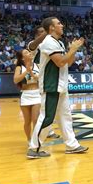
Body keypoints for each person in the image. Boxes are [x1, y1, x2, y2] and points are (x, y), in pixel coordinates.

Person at [27, 17, 89, 159]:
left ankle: (72, 145)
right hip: (51, 85)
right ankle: (34, 148)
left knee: (66, 117)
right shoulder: (48, 42)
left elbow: (69, 61)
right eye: (59, 23)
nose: (62, 25)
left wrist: (72, 51)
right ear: (52, 28)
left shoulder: (59, 42)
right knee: (47, 117)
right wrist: (72, 49)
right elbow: (60, 62)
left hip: (61, 85)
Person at [13, 50, 40, 142]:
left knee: (36, 119)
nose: (29, 53)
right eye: (26, 53)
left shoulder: (37, 65)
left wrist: (32, 73)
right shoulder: (19, 68)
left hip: (37, 94)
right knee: (27, 121)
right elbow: (16, 80)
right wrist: (26, 71)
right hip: (25, 95)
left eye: (29, 52)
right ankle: (29, 139)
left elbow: (41, 78)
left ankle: (36, 140)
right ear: (23, 58)